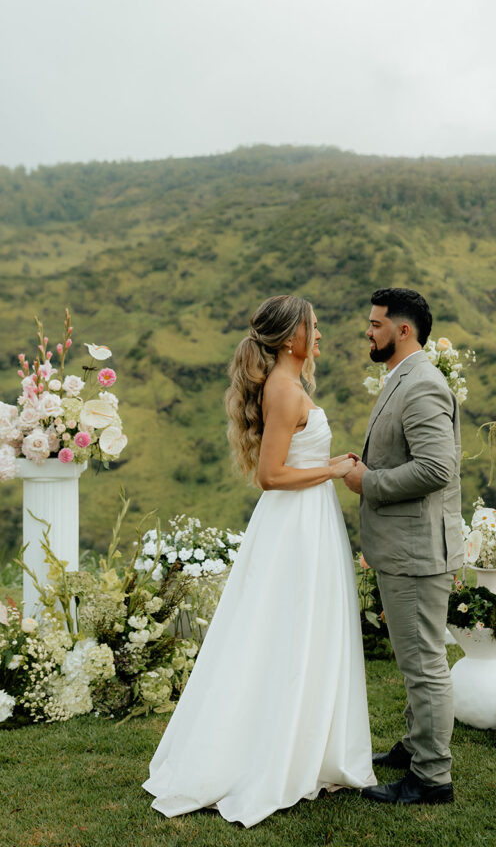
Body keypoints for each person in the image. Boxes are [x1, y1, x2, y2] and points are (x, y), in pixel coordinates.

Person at [143, 295, 375, 826]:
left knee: (303, 629)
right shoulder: (286, 392)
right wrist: (334, 469)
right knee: (287, 629)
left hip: (306, 519)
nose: (318, 337)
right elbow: (271, 475)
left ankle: (309, 745)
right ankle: (276, 753)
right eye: (312, 329)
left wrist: (328, 467)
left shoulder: (291, 387)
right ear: (291, 338)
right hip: (293, 522)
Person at [343, 287, 462, 806]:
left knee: (424, 664)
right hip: (405, 546)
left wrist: (368, 482)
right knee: (417, 657)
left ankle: (432, 777)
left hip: (417, 551)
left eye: (375, 324)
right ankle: (416, 748)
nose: (368, 332)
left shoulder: (422, 386)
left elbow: (437, 468)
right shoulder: (404, 378)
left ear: (403, 330)